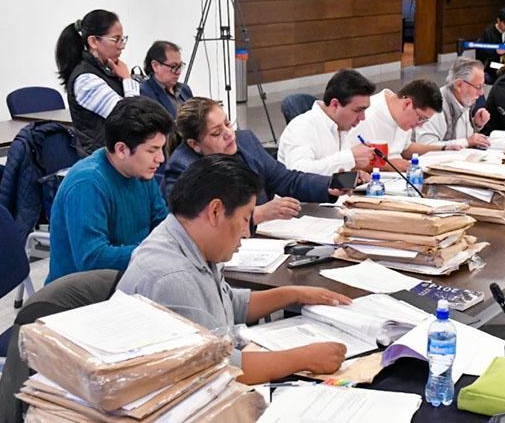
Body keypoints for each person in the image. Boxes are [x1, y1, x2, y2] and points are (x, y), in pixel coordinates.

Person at [119, 154, 350, 384]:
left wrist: (294, 294)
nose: (247, 233)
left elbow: (227, 304)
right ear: (215, 211)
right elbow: (218, 369)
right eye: (245, 219)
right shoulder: (174, 278)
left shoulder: (190, 241)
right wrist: (303, 359)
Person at [46, 97, 172, 284]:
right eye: (152, 150)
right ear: (121, 149)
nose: (160, 158)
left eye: (161, 148)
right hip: (83, 291)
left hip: (131, 276)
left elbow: (162, 225)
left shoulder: (140, 172)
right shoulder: (87, 183)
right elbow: (93, 259)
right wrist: (156, 252)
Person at [166, 97, 345, 227]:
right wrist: (258, 214)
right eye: (216, 133)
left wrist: (331, 184)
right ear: (194, 145)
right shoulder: (182, 169)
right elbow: (198, 224)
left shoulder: (246, 142)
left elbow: (286, 180)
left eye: (227, 124)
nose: (228, 134)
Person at [56, 9, 139, 153]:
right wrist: (127, 79)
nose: (122, 46)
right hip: (100, 160)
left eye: (123, 39)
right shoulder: (85, 80)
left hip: (117, 156)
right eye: (116, 39)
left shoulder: (107, 70)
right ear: (93, 41)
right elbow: (129, 120)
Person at [278, 69, 377, 175]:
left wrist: (352, 175)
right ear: (335, 105)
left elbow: (332, 169)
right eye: (357, 110)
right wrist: (350, 157)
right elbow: (298, 173)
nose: (362, 117)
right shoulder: (300, 127)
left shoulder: (343, 124)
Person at [348, 79, 447, 172]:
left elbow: (406, 148)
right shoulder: (366, 116)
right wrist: (388, 165)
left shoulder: (401, 115)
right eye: (421, 118)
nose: (420, 125)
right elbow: (348, 161)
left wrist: (443, 148)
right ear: (407, 104)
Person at [413, 57, 490, 149]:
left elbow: (462, 137)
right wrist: (467, 142)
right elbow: (425, 146)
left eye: (483, 86)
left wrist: (475, 124)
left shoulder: (464, 99)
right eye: (478, 87)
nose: (481, 93)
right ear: (459, 85)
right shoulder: (435, 106)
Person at [140, 41, 193, 117]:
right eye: (173, 66)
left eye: (180, 66)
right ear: (155, 66)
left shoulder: (185, 89)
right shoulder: (145, 93)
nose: (179, 72)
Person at [476, 7, 505, 81]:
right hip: (494, 64)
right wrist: (496, 51)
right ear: (498, 20)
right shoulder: (489, 32)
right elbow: (481, 53)